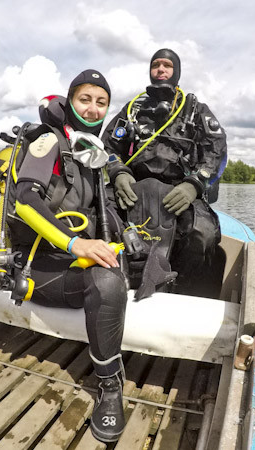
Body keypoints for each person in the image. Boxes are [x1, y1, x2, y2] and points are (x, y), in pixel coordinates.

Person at [6, 69, 127, 443]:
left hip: (67, 264)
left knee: (124, 264)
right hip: (37, 268)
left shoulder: (87, 149)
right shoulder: (50, 141)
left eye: (101, 102)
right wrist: (78, 245)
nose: (92, 108)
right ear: (70, 101)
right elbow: (26, 200)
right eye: (85, 99)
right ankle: (110, 387)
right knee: (108, 283)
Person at [103, 48, 227, 296]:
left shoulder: (195, 110)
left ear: (176, 72)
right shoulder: (132, 110)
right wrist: (118, 172)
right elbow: (106, 147)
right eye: (156, 65)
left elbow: (217, 150)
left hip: (180, 191)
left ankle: (180, 285)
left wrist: (195, 184)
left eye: (167, 65)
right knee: (96, 214)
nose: (160, 69)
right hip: (132, 189)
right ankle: (111, 280)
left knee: (202, 234)